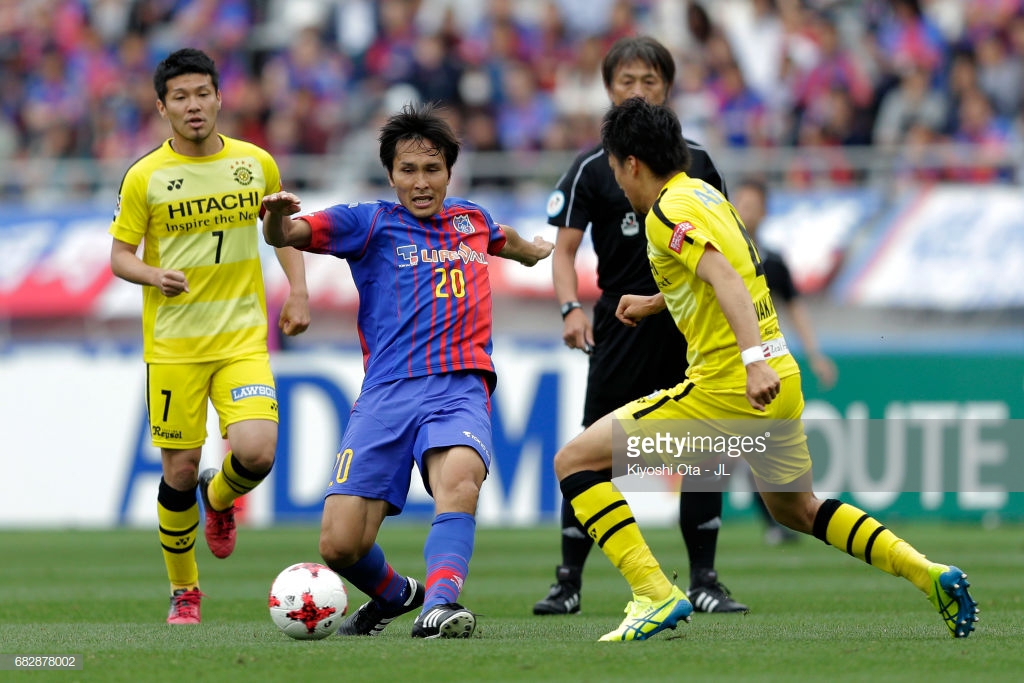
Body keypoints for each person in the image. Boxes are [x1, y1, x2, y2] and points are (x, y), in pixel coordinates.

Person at [553, 96, 978, 642]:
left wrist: (750, 363)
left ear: (631, 162)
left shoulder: (663, 213)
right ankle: (931, 574)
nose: (618, 182)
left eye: (615, 169)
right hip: (782, 378)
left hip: (730, 387)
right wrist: (657, 301)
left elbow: (727, 280)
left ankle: (654, 593)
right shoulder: (704, 193)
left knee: (575, 462)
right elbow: (726, 269)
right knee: (796, 509)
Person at [262, 102, 554, 639]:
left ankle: (439, 607)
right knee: (340, 545)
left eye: (432, 169)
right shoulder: (367, 223)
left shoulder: (471, 219)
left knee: (460, 482)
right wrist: (278, 217)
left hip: (459, 386)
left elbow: (501, 237)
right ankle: (400, 594)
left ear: (449, 171)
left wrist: (532, 253)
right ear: (391, 174)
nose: (421, 182)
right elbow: (289, 236)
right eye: (408, 171)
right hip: (387, 394)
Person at [536, 35, 747, 617]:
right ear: (608, 90)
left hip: (686, 327)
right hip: (618, 326)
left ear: (668, 89)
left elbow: (726, 252)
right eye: (626, 81)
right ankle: (567, 580)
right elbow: (563, 251)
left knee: (704, 451)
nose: (636, 90)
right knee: (592, 450)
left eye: (648, 81)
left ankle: (704, 578)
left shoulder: (698, 163)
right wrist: (569, 308)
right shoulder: (589, 168)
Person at [108, 48, 311, 625]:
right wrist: (152, 273)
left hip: (242, 339)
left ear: (220, 98)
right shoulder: (145, 176)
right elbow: (120, 256)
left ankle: (219, 497)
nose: (193, 106)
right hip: (173, 347)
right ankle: (185, 593)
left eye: (202, 94)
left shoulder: (255, 163)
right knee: (176, 471)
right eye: (180, 96)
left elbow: (283, 233)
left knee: (257, 452)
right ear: (161, 106)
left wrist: (297, 292)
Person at [732, 178, 837, 545]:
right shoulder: (719, 256)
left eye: (753, 204)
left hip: (765, 364)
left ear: (764, 212)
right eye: (741, 202)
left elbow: (795, 310)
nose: (747, 210)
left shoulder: (772, 262)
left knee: (753, 449)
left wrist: (816, 355)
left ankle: (777, 522)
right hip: (724, 362)